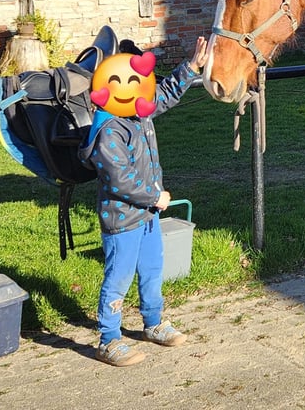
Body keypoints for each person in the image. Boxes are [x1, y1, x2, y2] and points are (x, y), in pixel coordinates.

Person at [79, 37, 208, 367]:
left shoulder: (138, 109)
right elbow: (119, 179)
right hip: (122, 219)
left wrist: (192, 67)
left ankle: (153, 323)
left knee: (152, 270)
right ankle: (109, 339)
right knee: (118, 278)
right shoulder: (109, 130)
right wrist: (155, 196)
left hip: (148, 215)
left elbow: (165, 94)